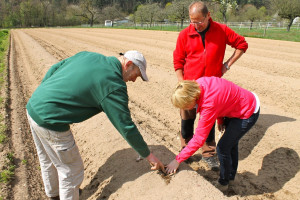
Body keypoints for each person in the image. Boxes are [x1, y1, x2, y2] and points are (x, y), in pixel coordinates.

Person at [26, 50, 165, 200]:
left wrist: (43, 94)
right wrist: (148, 155)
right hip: (51, 122)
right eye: (136, 75)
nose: (134, 80)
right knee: (72, 171)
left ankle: (54, 195)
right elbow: (126, 126)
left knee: (47, 158)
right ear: (128, 64)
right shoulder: (114, 84)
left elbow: (54, 68)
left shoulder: (90, 56)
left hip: (34, 106)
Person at [173, 1, 248, 170]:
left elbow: (242, 44)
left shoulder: (221, 30)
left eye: (199, 21)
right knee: (187, 119)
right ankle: (186, 149)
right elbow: (178, 61)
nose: (196, 25)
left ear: (208, 16)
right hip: (191, 87)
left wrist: (226, 65)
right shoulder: (184, 35)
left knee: (209, 120)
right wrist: (181, 83)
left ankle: (208, 153)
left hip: (212, 89)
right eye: (192, 21)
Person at [166, 77, 260, 191]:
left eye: (185, 106)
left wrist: (177, 160)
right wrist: (220, 120)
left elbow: (199, 139)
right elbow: (221, 97)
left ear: (191, 98)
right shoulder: (199, 84)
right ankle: (230, 177)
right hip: (239, 103)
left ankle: (223, 183)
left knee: (223, 147)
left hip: (247, 111)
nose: (185, 109)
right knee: (231, 144)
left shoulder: (208, 104)